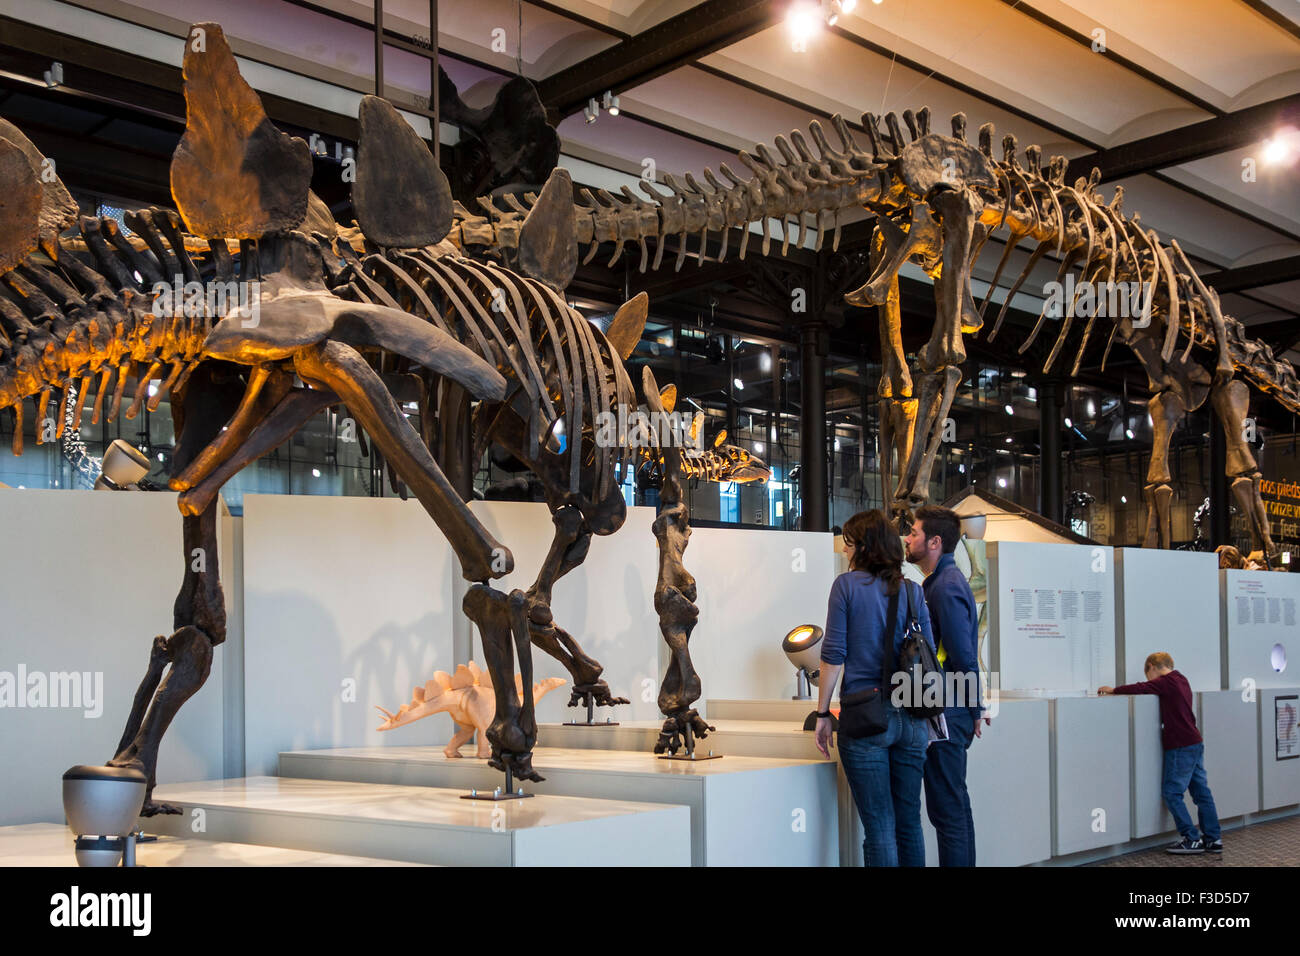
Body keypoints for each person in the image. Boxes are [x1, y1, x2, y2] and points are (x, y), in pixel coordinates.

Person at [815, 509, 936, 866]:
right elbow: (929, 657)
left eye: (848, 543)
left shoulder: (846, 586)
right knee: (909, 822)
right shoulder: (914, 592)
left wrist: (822, 713)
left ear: (864, 546)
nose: (844, 551)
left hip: (866, 718)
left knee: (880, 827)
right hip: (913, 720)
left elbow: (833, 655)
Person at [905, 504, 985, 867]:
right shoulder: (939, 583)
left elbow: (963, 655)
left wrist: (974, 709)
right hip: (950, 708)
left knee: (947, 809)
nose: (908, 538)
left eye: (914, 533)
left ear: (934, 541)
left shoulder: (945, 587)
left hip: (947, 712)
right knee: (952, 807)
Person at [1100, 653, 1223, 854]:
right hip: (1195, 742)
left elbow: (1140, 688)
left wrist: (1113, 690)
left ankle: (1191, 839)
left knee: (1172, 792)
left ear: (1152, 666)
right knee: (1201, 793)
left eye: (1148, 673)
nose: (1149, 678)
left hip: (1180, 745)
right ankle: (1213, 839)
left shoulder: (1165, 682)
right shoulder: (1182, 679)